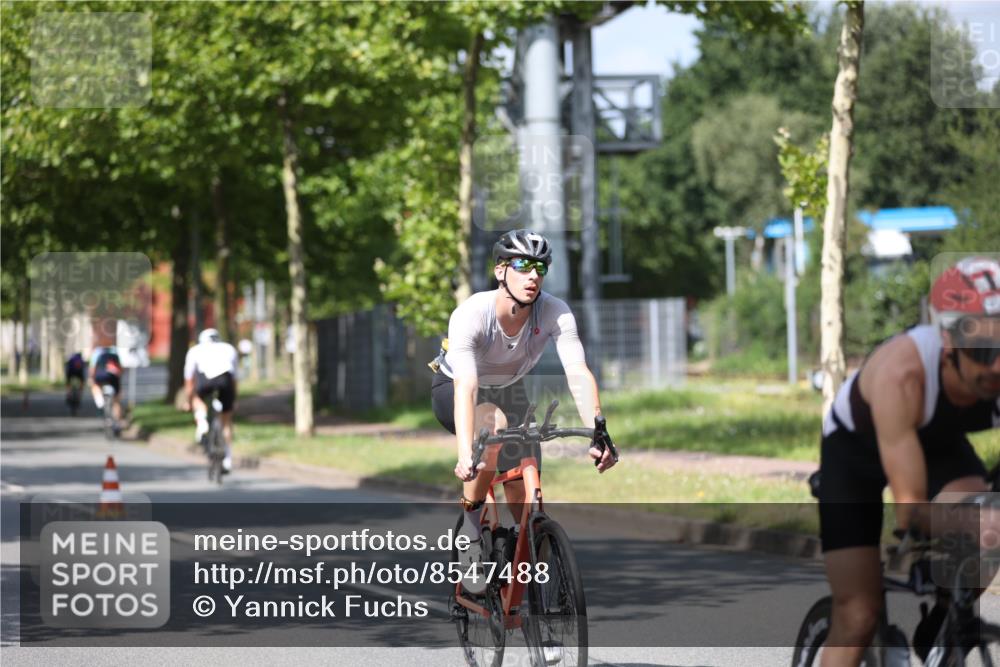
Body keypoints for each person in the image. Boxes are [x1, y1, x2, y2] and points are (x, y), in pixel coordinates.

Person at [816, 257, 1000, 666]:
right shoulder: (903, 373)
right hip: (856, 454)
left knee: (989, 528)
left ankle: (945, 625)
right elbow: (911, 510)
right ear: (950, 342)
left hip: (937, 442)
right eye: (983, 350)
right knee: (858, 615)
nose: (997, 365)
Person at [431, 229, 618, 594]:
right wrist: (465, 454)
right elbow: (466, 387)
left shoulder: (554, 311)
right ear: (501, 270)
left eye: (540, 267)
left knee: (527, 503)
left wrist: (598, 427)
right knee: (494, 427)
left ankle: (534, 601)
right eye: (522, 265)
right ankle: (471, 528)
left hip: (509, 391)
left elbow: (577, 371)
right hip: (455, 388)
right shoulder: (471, 314)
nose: (533, 275)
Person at [184, 328, 239, 473]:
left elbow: (189, 380)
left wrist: (189, 400)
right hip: (225, 380)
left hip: (205, 380)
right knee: (226, 421)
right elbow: (234, 378)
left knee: (197, 398)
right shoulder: (229, 348)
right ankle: (227, 460)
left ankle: (202, 423)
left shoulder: (195, 350)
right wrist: (233, 398)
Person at [89, 345, 123, 428]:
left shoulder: (97, 352)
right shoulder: (115, 351)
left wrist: (91, 379)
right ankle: (117, 423)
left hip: (100, 375)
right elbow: (120, 368)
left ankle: (100, 403)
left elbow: (92, 369)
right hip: (113, 377)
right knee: (117, 401)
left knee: (95, 385)